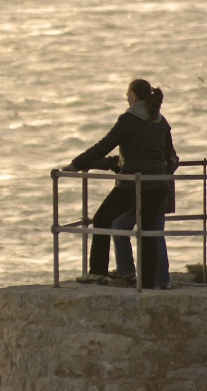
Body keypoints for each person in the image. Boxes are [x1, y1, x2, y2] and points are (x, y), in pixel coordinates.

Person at [61, 79, 177, 289]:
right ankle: (148, 283)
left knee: (102, 218)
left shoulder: (129, 119)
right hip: (159, 185)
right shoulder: (161, 121)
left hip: (133, 183)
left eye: (127, 93)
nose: (126, 97)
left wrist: (76, 164)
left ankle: (97, 272)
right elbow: (171, 156)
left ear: (133, 95)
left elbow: (103, 146)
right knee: (148, 232)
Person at [96, 153, 179, 289]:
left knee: (152, 235)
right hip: (142, 196)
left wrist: (165, 164)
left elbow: (173, 160)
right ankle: (131, 272)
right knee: (123, 227)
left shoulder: (156, 140)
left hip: (153, 196)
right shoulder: (149, 140)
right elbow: (119, 162)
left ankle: (158, 279)